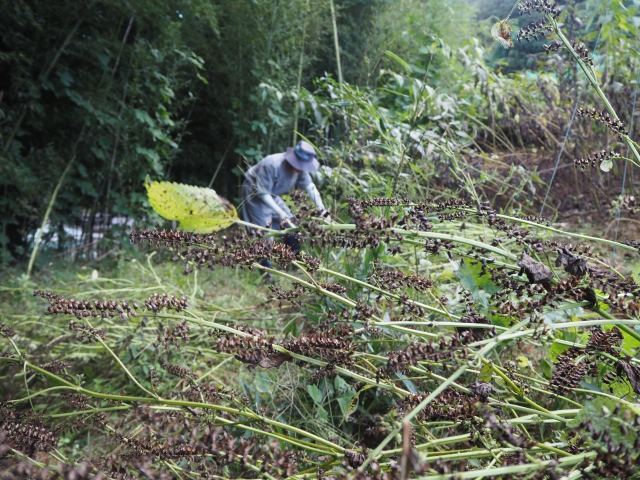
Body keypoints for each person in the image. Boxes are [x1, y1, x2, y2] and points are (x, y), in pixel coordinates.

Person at [241, 140, 327, 276]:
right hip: (256, 195)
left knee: (290, 223)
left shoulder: (300, 170)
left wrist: (322, 210)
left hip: (273, 194)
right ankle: (266, 273)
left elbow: (310, 187)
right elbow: (262, 192)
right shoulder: (272, 164)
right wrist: (279, 211)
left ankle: (296, 261)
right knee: (264, 232)